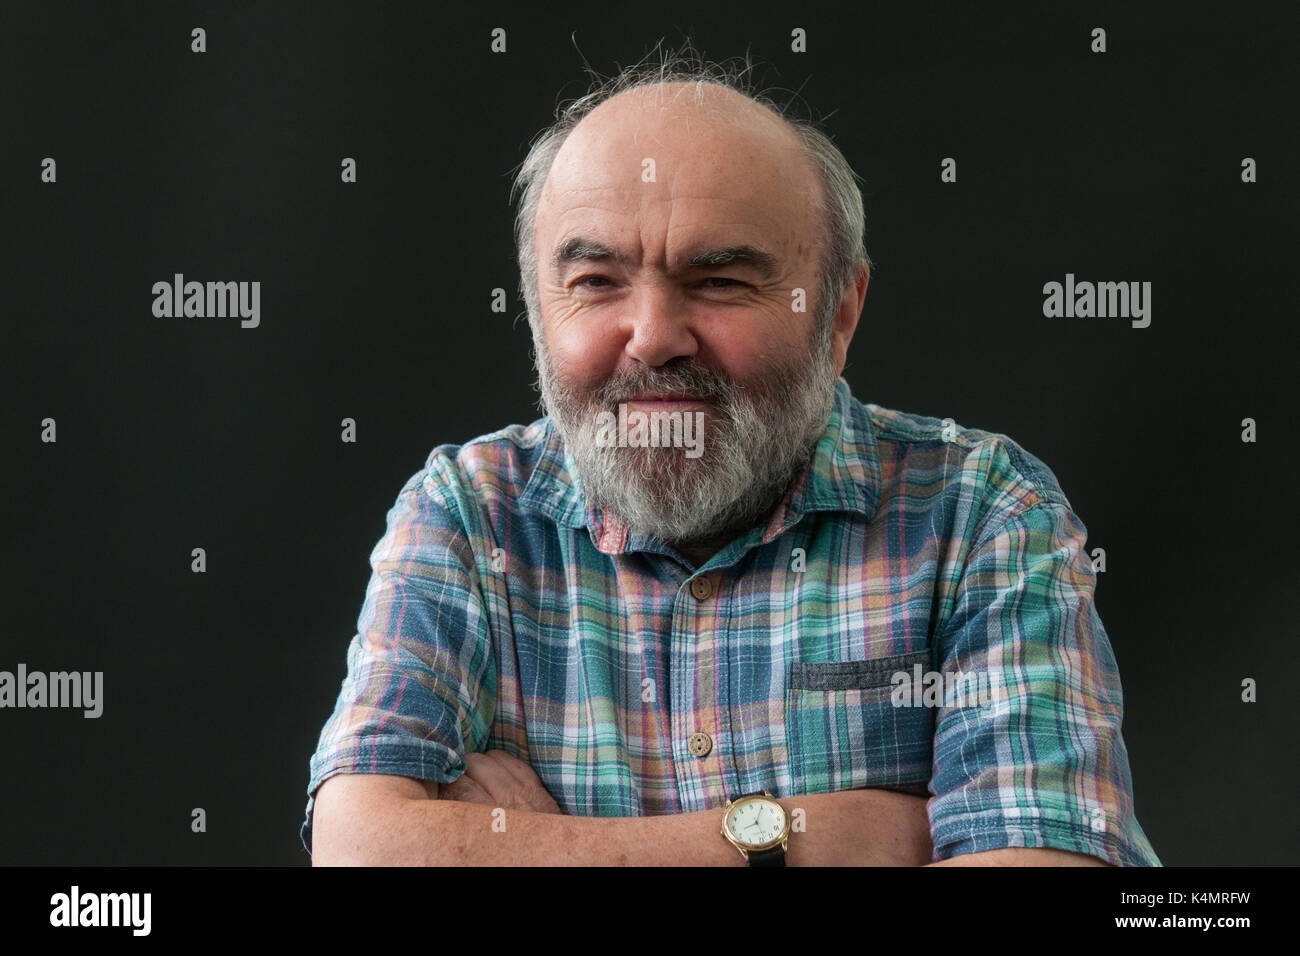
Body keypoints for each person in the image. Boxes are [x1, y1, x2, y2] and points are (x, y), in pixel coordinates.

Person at [301, 50, 1160, 867]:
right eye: (597, 281)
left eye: (719, 281)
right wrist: (806, 841)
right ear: (537, 308)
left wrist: (527, 851)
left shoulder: (982, 514)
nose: (654, 338)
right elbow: (363, 850)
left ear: (840, 313)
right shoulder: (467, 512)